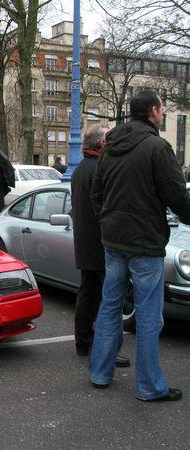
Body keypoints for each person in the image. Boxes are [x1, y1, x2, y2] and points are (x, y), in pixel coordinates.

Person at [89, 90, 190, 401]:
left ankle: (100, 372)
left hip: (114, 241)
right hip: (145, 242)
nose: (162, 115)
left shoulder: (110, 147)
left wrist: (108, 221)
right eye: (161, 110)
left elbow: (97, 195)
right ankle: (149, 386)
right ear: (153, 112)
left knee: (109, 306)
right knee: (149, 316)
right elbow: (177, 197)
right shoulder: (157, 147)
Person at [71, 124, 130, 368]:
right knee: (110, 300)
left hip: (86, 242)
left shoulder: (80, 169)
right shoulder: (99, 169)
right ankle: (106, 350)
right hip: (102, 243)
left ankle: (83, 343)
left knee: (88, 294)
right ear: (102, 144)